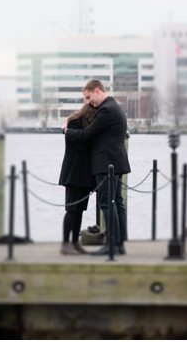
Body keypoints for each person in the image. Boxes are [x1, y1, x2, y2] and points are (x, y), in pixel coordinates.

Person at [62, 78, 130, 254]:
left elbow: (86, 135)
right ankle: (120, 244)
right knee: (116, 203)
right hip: (116, 162)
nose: (88, 101)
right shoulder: (115, 107)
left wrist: (66, 131)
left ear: (97, 90)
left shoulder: (106, 110)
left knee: (107, 203)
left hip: (107, 163)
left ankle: (112, 245)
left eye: (89, 96)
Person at [58, 100, 97, 254]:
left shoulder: (81, 125)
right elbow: (80, 144)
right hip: (73, 173)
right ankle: (65, 243)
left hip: (84, 174)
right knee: (71, 209)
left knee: (80, 210)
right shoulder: (73, 123)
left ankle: (75, 242)